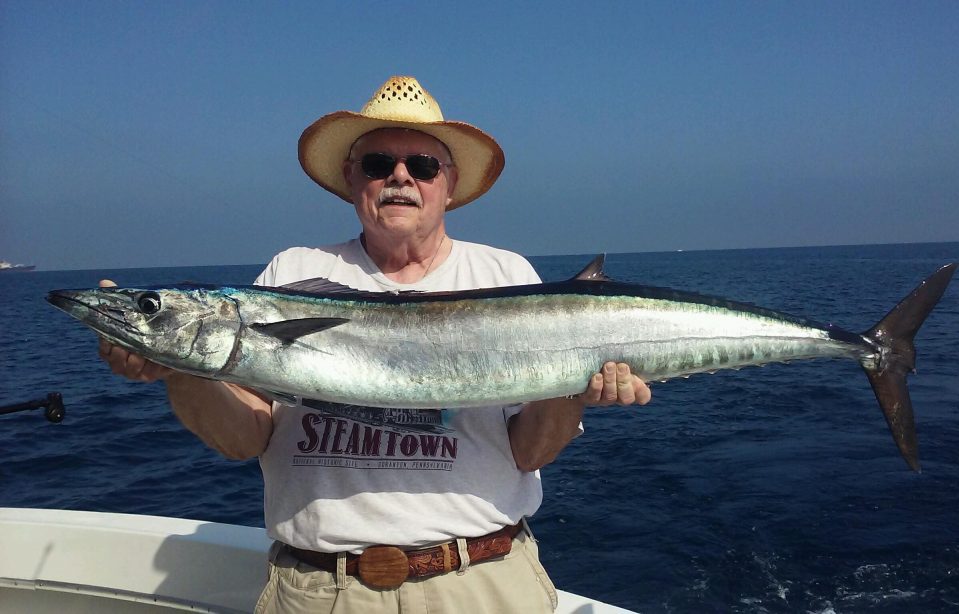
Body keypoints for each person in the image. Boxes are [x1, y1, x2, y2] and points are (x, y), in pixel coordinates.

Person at [99, 76, 651, 613]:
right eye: (378, 163)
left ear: (449, 183)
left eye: (423, 165)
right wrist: (181, 369)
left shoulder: (507, 274)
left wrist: (575, 387)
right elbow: (244, 439)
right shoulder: (292, 273)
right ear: (352, 177)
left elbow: (531, 452)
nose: (400, 178)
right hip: (319, 591)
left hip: (482, 585)